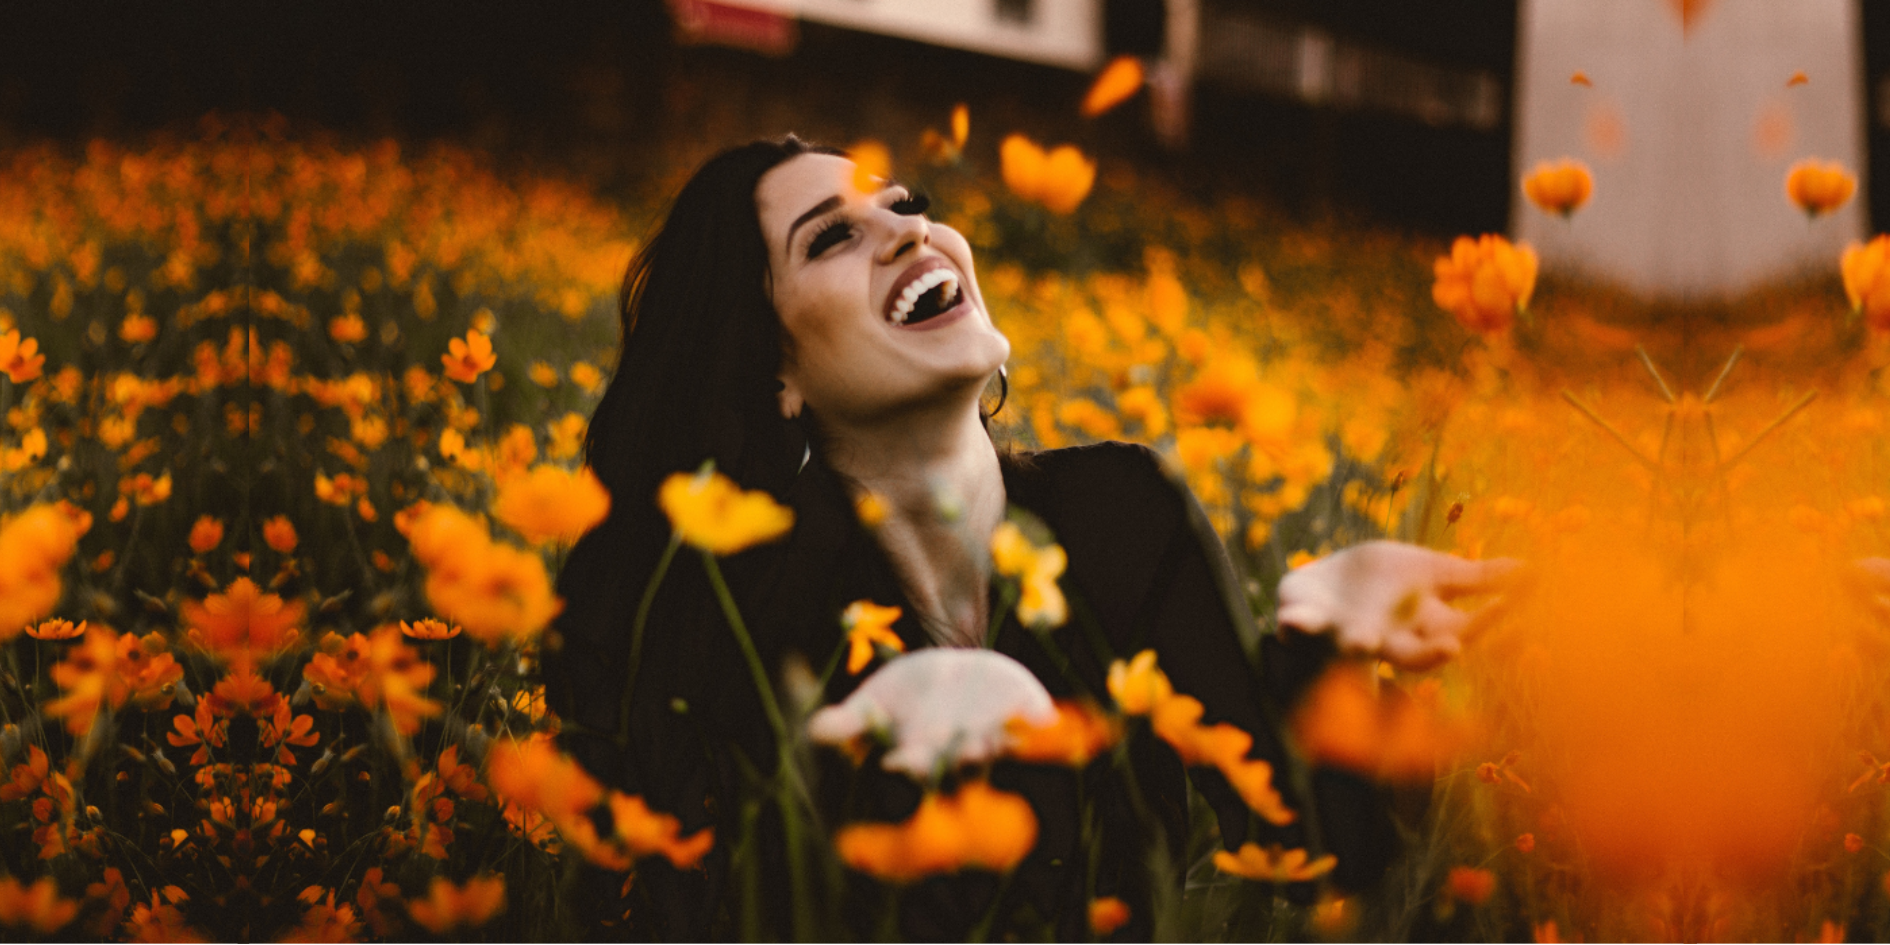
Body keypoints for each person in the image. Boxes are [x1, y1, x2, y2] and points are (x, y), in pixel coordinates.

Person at [545, 135, 1513, 939]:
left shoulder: (1126, 513)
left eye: (905, 203)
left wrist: (1321, 645)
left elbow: (1321, 858)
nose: (909, 229)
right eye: (834, 235)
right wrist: (860, 775)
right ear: (776, 378)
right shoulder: (763, 630)